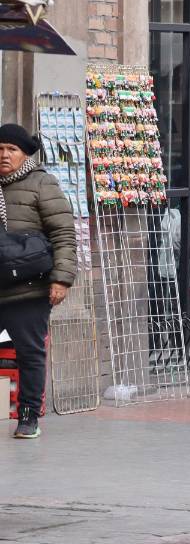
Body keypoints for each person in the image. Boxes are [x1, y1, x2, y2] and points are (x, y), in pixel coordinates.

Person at [0, 124, 76, 439]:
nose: (4, 155)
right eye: (0, 148)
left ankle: (28, 416)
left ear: (26, 153)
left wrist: (62, 279)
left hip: (28, 288)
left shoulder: (42, 183)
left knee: (29, 353)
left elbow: (63, 234)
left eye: (11, 149)